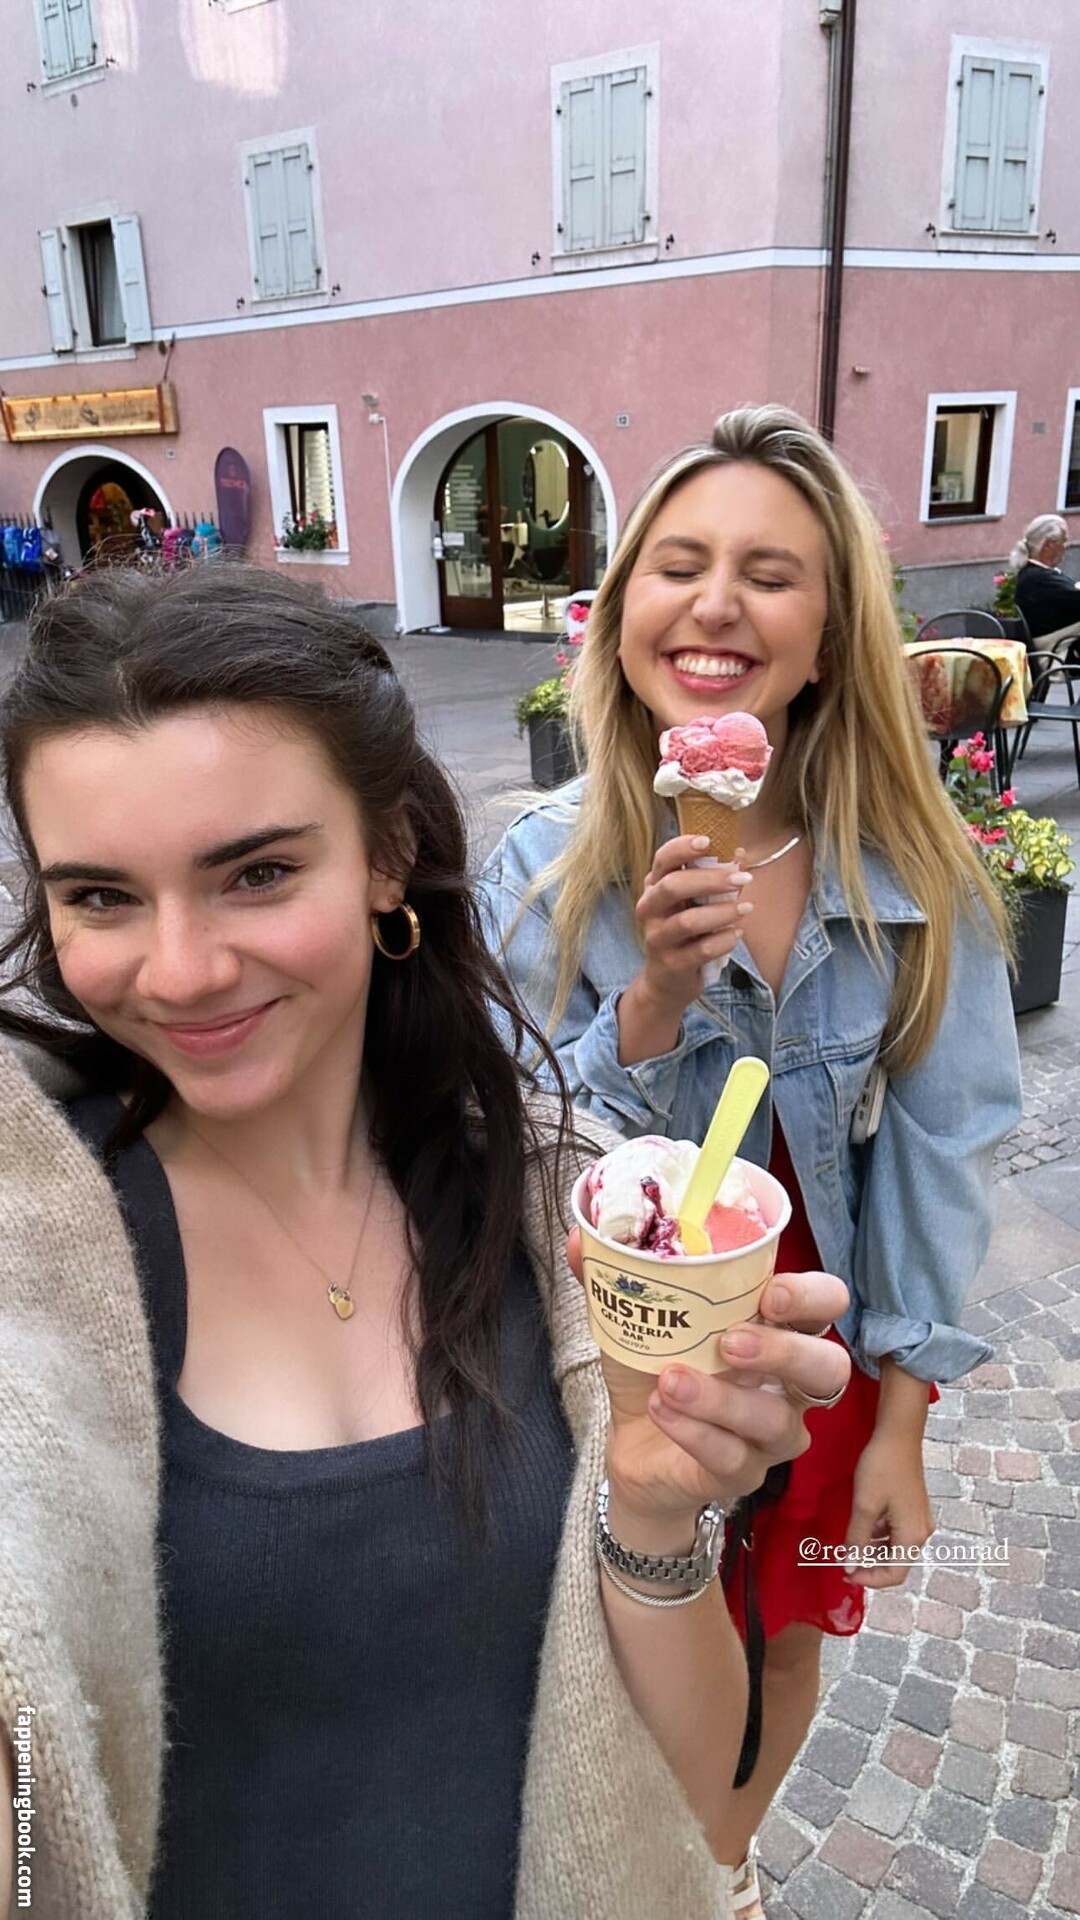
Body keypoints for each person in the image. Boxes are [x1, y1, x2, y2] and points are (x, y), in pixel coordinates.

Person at [0, 562, 848, 1920]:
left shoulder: (554, 1214)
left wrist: (651, 1511)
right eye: (101, 896)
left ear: (388, 855)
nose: (181, 969)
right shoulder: (30, 1258)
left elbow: (698, 1796)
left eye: (257, 873)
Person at [480, 404, 1023, 1890]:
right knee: (624, 1640)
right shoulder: (541, 866)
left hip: (818, 1342)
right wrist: (653, 1001)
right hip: (622, 1357)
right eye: (678, 565)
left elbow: (944, 1143)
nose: (715, 605)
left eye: (770, 575)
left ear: (830, 634)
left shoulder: (912, 875)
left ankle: (713, 1871)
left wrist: (900, 1418)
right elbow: (517, 1146)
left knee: (787, 1631)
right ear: (620, 615)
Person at [1009, 513, 1080, 648]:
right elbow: (1074, 597)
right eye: (1064, 541)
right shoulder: (1037, 578)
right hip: (1055, 653)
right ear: (1048, 545)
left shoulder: (1034, 574)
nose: (1066, 546)